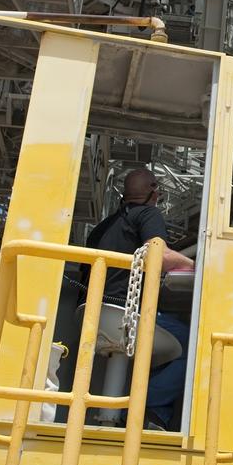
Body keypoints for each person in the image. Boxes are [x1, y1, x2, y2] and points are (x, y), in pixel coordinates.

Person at [84, 167, 194, 430]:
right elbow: (160, 255)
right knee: (190, 346)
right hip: (125, 313)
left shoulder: (99, 230)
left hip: (90, 314)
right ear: (153, 191)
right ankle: (148, 406)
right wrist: (197, 265)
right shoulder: (148, 214)